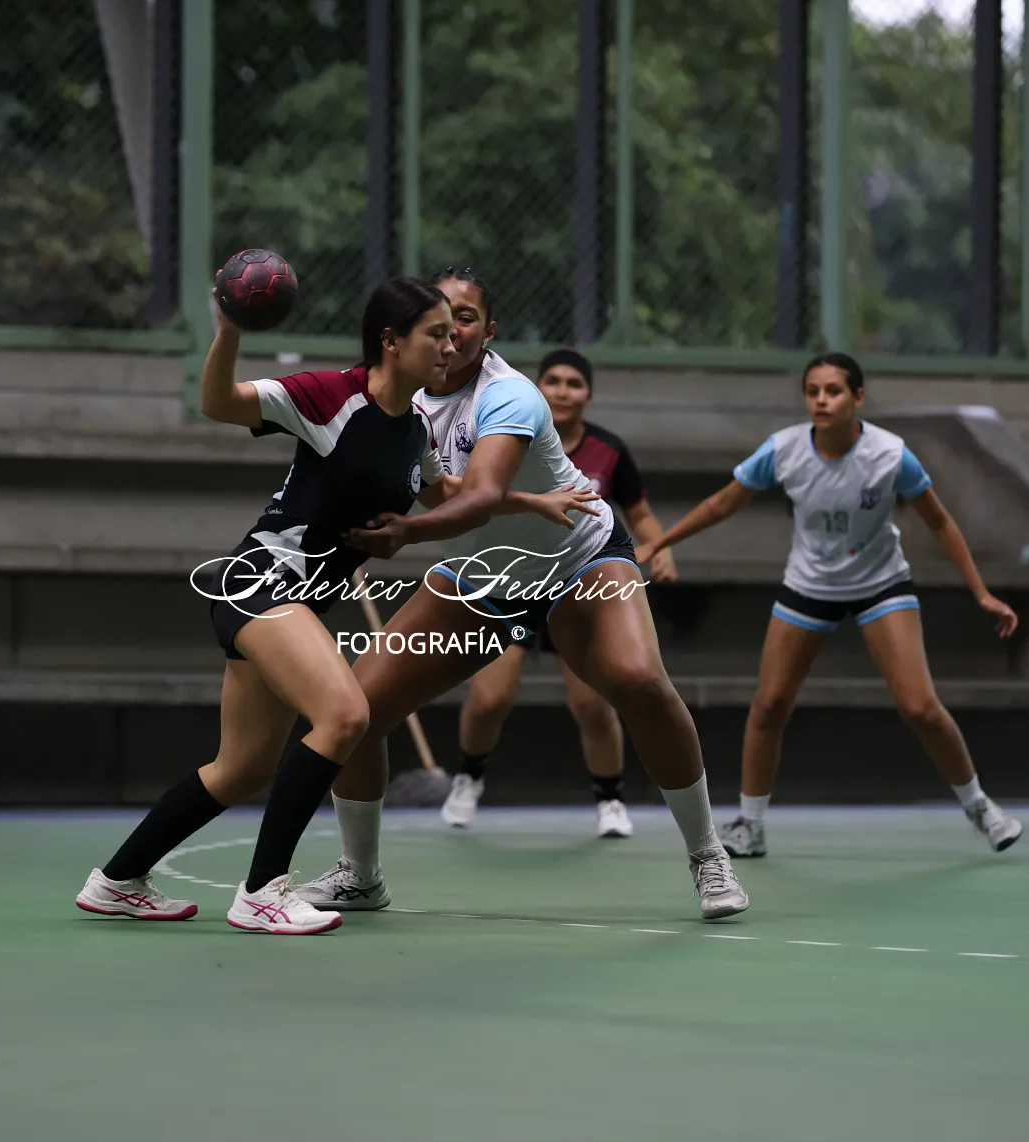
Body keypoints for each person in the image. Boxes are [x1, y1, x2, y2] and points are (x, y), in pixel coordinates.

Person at [72, 276, 594, 935]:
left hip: (294, 603)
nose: (450, 345)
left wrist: (531, 501)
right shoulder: (328, 396)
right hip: (260, 584)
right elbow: (218, 402)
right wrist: (229, 331)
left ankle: (117, 880)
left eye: (454, 332)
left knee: (240, 769)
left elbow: (448, 496)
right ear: (391, 341)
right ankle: (262, 893)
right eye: (435, 334)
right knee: (347, 713)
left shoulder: (415, 430)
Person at [296, 269, 749, 922]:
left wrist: (406, 533)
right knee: (355, 711)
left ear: (489, 331)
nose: (452, 332)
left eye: (467, 318)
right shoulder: (394, 397)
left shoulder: (509, 394)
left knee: (638, 679)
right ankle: (360, 874)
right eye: (439, 318)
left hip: (578, 558)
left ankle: (708, 854)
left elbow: (481, 495)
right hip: (477, 578)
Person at [635, 352, 1024, 858]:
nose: (821, 400)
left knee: (920, 707)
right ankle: (750, 824)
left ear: (857, 397)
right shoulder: (783, 450)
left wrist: (982, 593)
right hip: (809, 585)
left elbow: (940, 522)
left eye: (833, 391)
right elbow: (722, 503)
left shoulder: (891, 455)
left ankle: (981, 808)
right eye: (812, 391)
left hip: (881, 583)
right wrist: (659, 543)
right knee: (770, 704)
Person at [439, 347, 680, 838]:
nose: (563, 391)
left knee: (593, 705)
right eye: (553, 381)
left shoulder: (609, 450)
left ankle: (610, 799)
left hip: (577, 582)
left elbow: (639, 513)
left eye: (574, 383)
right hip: (510, 582)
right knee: (488, 700)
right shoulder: (506, 431)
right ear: (537, 388)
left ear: (588, 394)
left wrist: (661, 547)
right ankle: (469, 777)